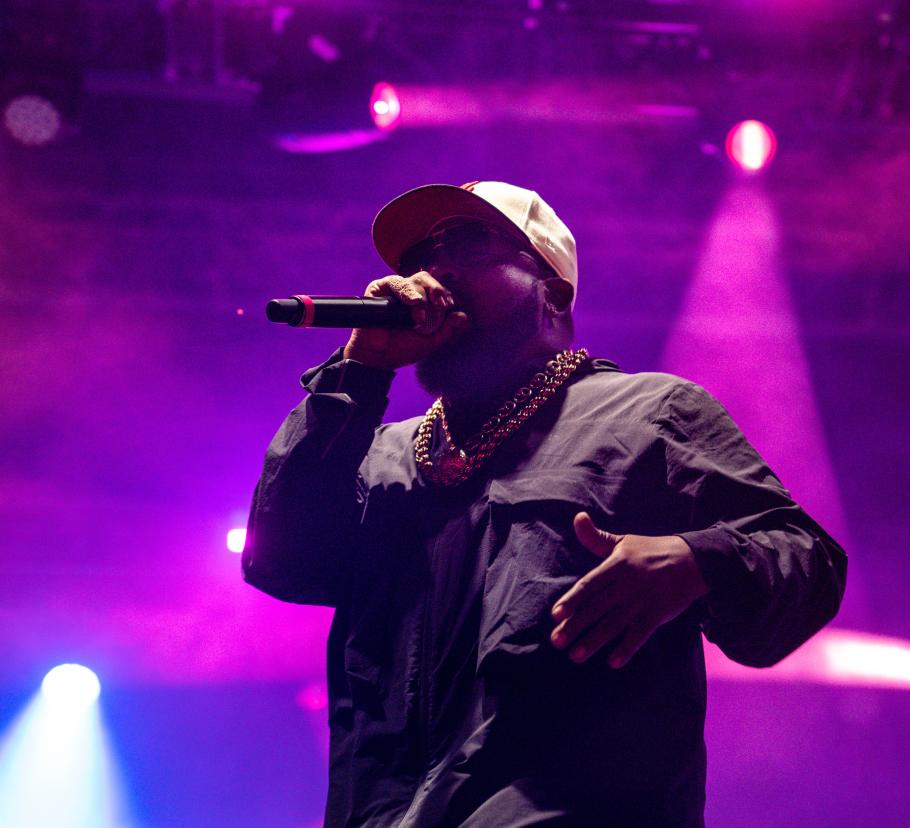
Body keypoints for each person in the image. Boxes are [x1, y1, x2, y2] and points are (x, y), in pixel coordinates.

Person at [242, 181, 847, 827]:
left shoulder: (649, 414)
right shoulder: (378, 449)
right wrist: (360, 371)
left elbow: (807, 561)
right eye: (421, 255)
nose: (435, 269)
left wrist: (695, 560)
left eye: (471, 244)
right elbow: (283, 562)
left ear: (553, 291)